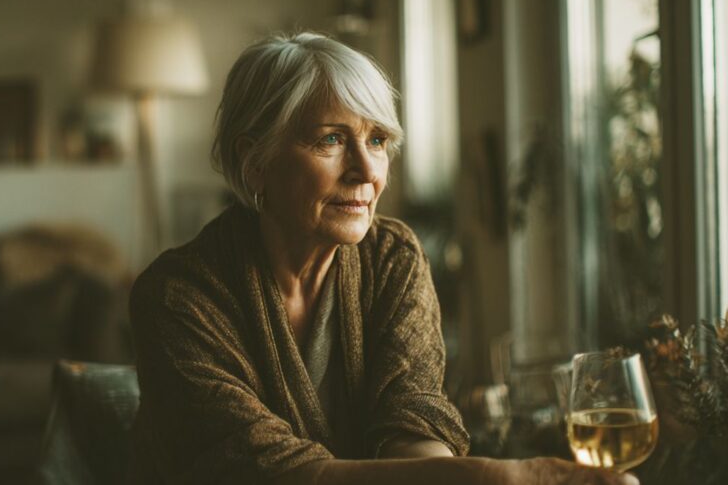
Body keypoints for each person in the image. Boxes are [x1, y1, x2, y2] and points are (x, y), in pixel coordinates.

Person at [128, 32, 634, 485]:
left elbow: (412, 422)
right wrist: (486, 477)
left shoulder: (392, 257)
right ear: (254, 162)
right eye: (331, 139)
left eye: (377, 140)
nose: (367, 170)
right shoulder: (177, 297)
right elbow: (269, 471)